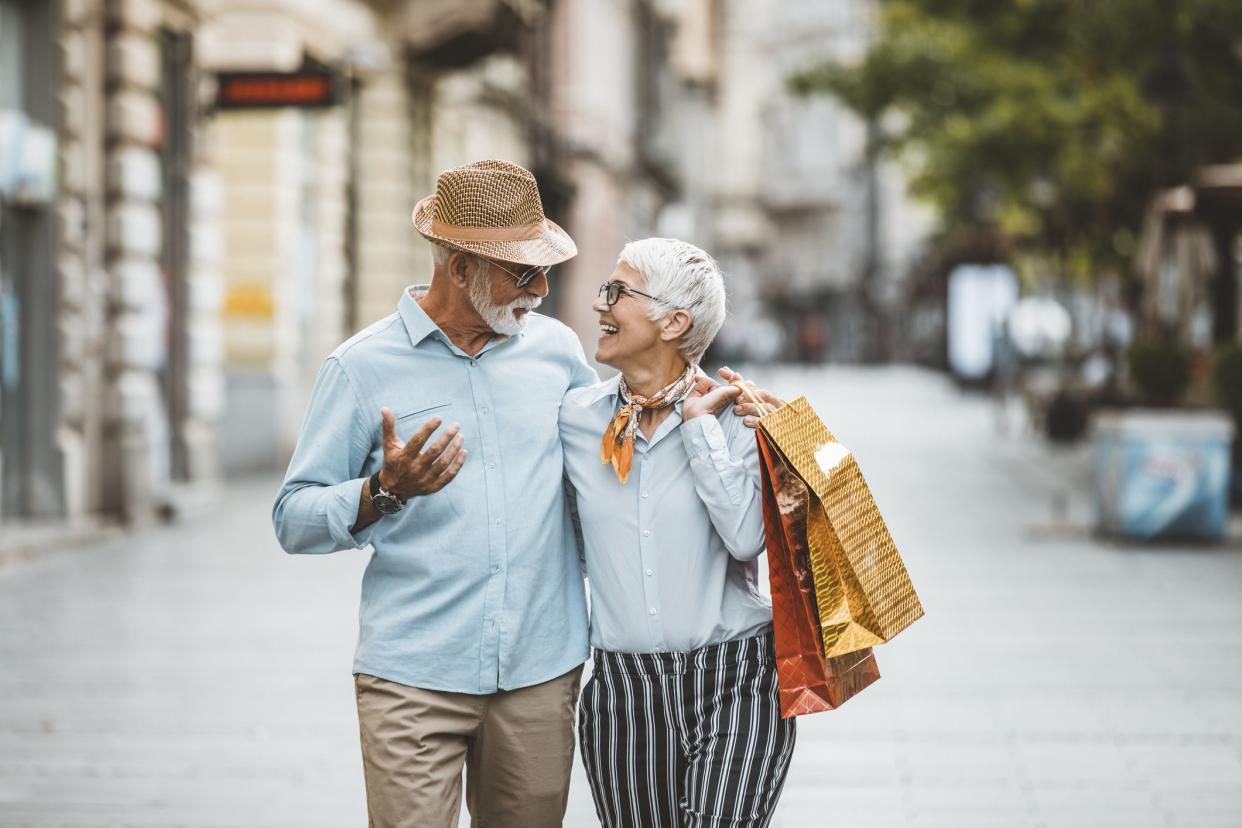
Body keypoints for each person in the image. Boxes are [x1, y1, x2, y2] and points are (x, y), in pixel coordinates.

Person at [272, 161, 773, 828]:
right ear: (458, 269)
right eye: (522, 272)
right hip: (412, 675)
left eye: (546, 270)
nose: (542, 289)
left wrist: (723, 411)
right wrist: (383, 491)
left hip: (541, 676)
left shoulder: (557, 353)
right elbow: (293, 517)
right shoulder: (361, 368)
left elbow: (634, 434)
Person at [559, 238, 796, 828]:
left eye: (617, 292)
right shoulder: (575, 420)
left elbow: (745, 537)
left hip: (736, 679)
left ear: (674, 321)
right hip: (623, 690)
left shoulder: (738, 418)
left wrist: (698, 428)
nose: (599, 305)